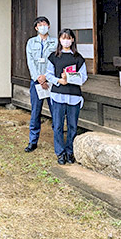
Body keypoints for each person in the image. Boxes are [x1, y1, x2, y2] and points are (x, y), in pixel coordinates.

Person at [45, 28, 87, 164]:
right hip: (58, 95)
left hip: (74, 95)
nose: (66, 41)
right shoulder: (54, 57)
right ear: (59, 40)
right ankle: (60, 152)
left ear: (73, 40)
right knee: (57, 125)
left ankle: (70, 151)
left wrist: (69, 78)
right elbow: (49, 75)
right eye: (63, 38)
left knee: (72, 125)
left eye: (68, 38)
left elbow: (83, 77)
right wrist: (59, 80)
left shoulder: (78, 58)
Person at [24, 16, 58, 152]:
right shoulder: (31, 43)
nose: (42, 26)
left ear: (49, 26)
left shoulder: (55, 42)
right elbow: (30, 62)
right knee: (35, 113)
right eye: (40, 25)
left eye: (45, 24)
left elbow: (57, 61)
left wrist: (47, 77)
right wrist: (38, 78)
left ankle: (58, 141)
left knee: (55, 112)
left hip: (51, 82)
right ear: (36, 28)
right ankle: (33, 141)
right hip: (36, 82)